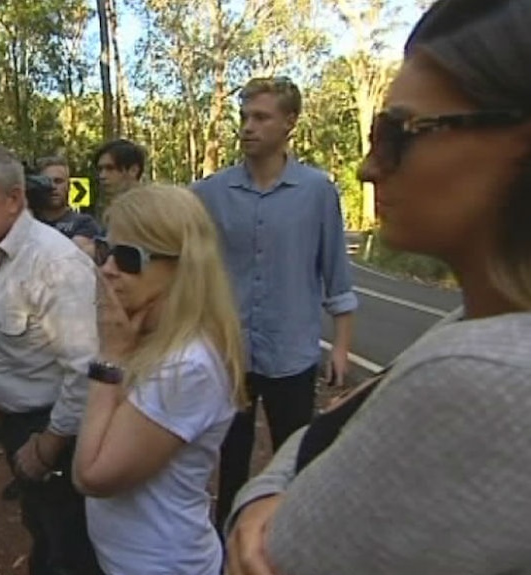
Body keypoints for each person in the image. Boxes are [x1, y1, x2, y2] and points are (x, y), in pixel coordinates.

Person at [225, 1, 531, 574]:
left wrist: (263, 503)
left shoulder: (481, 371)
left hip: (291, 355)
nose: (368, 168)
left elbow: (282, 550)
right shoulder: (472, 321)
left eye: (400, 134)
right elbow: (323, 446)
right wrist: (264, 494)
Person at [192, 76, 358, 530]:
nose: (248, 127)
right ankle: (226, 542)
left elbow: (335, 275)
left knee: (294, 457)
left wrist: (340, 347)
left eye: (261, 117)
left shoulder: (316, 191)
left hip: (292, 353)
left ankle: (291, 540)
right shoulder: (209, 194)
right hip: (231, 354)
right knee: (230, 459)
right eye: (244, 117)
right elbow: (177, 254)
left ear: (289, 123)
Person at [72, 184, 247, 575]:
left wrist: (109, 361)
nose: (108, 268)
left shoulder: (188, 364)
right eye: (106, 250)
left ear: (181, 268)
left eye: (129, 257)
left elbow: (92, 475)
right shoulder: (147, 337)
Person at [0, 141, 102, 575]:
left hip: (58, 433)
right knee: (42, 531)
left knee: (70, 551)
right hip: (19, 423)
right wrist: (1, 409)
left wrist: (50, 443)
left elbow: (86, 369)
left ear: (14, 198)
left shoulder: (54, 264)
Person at [36, 156, 102, 255]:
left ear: (69, 186)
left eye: (58, 181)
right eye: (46, 181)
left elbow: (71, 257)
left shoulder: (83, 223)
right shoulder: (28, 220)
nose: (53, 186)